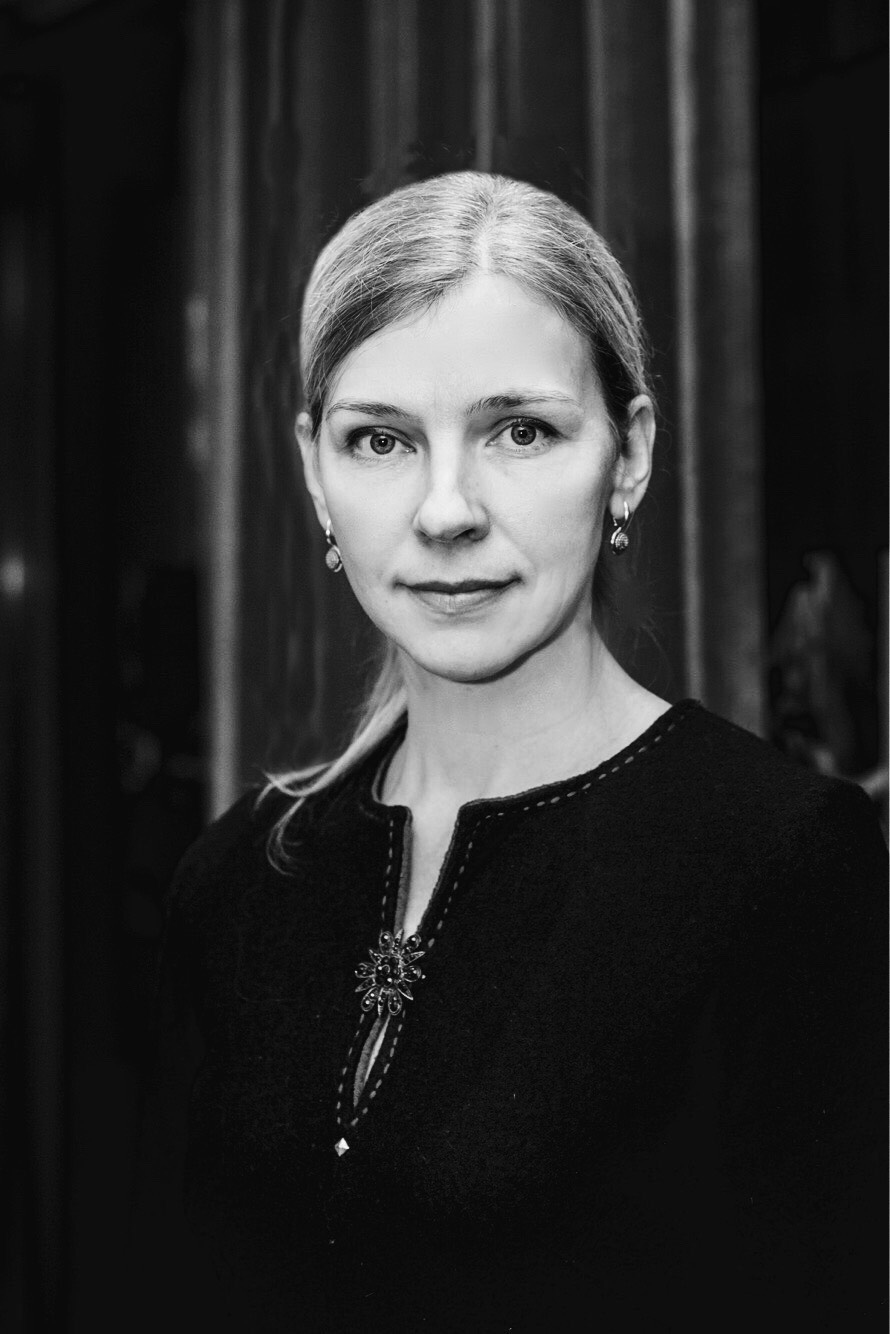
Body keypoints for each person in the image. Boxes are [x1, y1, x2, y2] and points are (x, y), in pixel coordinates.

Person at [130, 172, 887, 1332]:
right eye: (380, 438)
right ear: (314, 470)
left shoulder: (783, 863)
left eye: (519, 430)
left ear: (627, 455)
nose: (445, 509)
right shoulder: (235, 880)